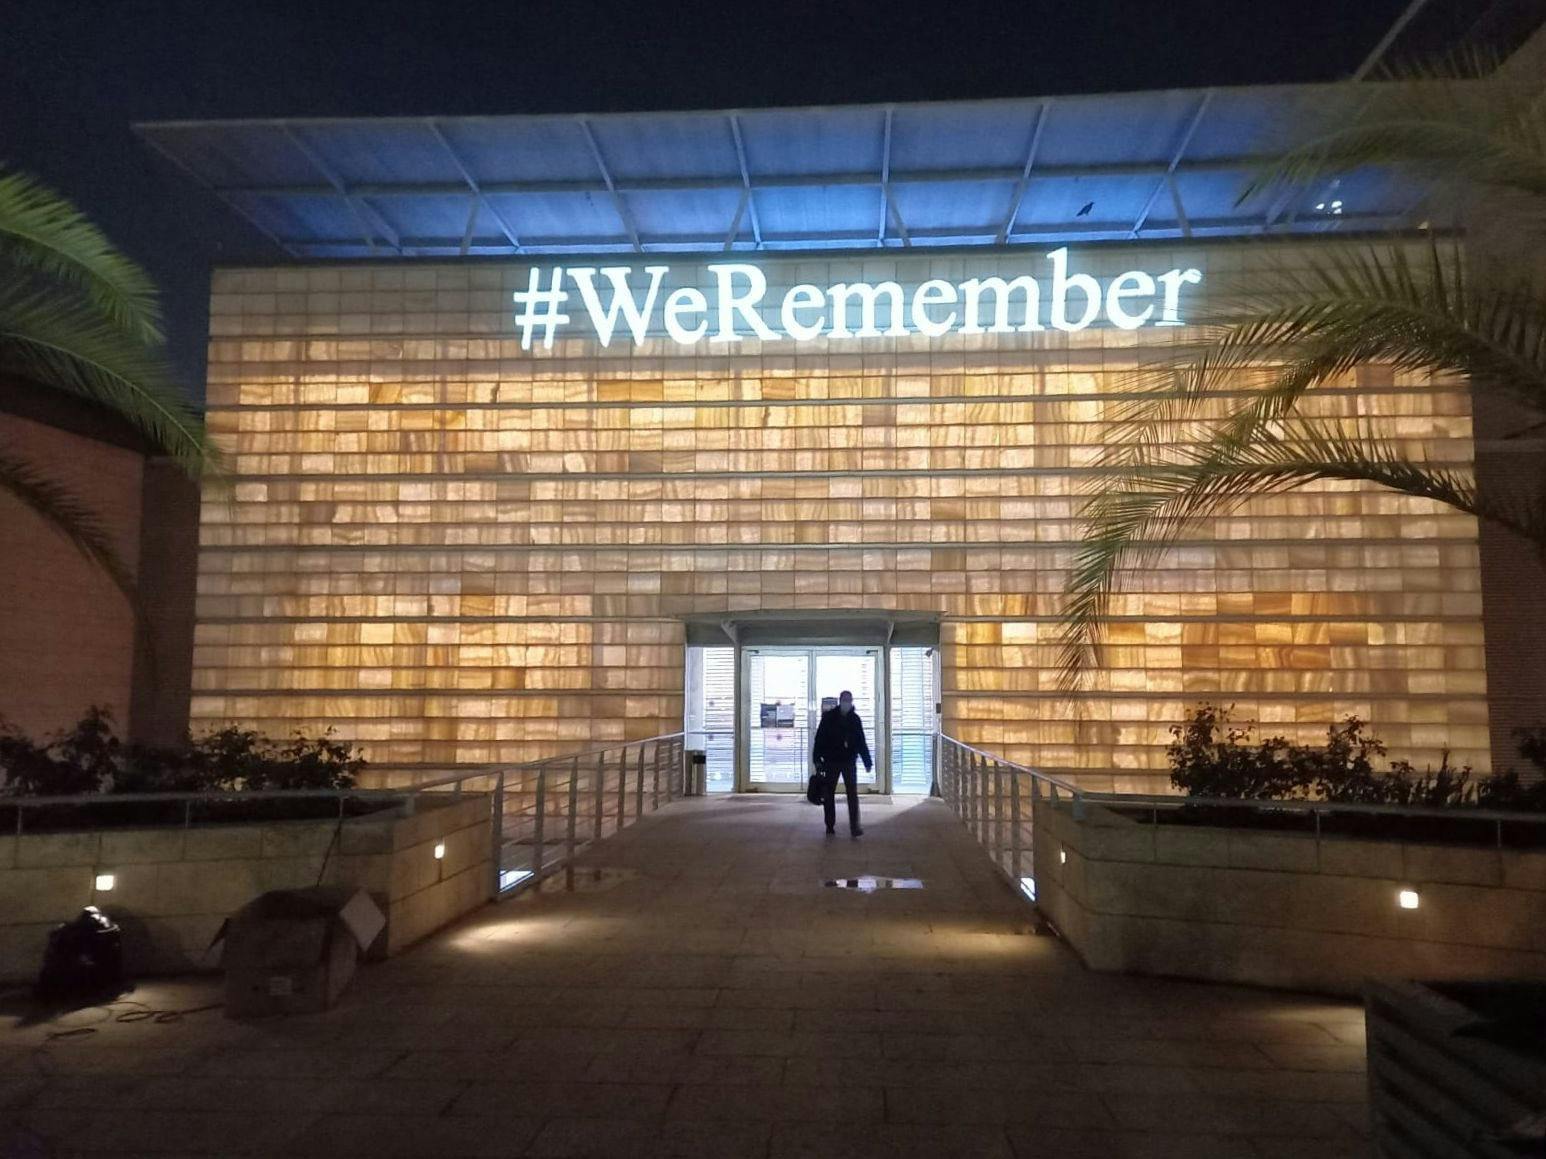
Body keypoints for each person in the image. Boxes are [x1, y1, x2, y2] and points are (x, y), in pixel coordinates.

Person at [811, 689, 871, 837]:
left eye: (849, 701)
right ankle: (830, 825)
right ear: (840, 701)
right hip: (831, 761)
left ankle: (854, 826)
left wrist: (867, 761)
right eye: (845, 700)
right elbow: (820, 738)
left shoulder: (855, 720)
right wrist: (817, 759)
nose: (846, 703)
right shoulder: (829, 718)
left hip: (848, 761)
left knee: (852, 794)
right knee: (829, 794)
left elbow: (861, 741)